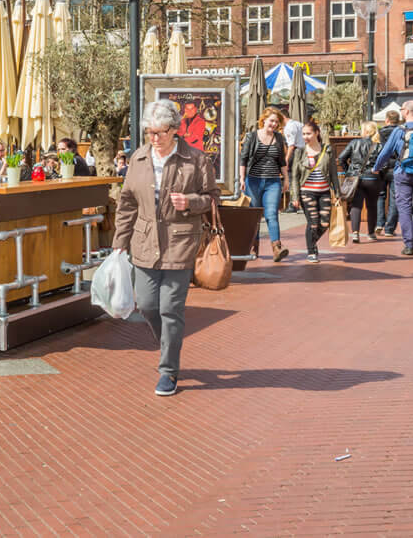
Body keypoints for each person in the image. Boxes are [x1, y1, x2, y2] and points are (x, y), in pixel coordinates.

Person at [113, 100, 218, 397]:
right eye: (149, 132)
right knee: (146, 305)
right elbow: (127, 203)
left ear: (174, 130)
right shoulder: (139, 158)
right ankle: (168, 347)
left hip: (181, 242)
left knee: (170, 309)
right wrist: (120, 244)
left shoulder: (195, 159)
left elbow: (213, 198)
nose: (154, 138)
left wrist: (191, 203)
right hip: (144, 242)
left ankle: (168, 371)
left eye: (159, 132)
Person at [239, 108, 289, 262]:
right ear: (264, 120)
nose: (273, 124)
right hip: (253, 180)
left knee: (272, 214)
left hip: (273, 181)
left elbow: (282, 161)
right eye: (271, 121)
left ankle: (276, 248)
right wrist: (241, 179)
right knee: (255, 215)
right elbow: (244, 159)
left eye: (276, 122)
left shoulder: (279, 138)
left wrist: (286, 178)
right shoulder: (252, 136)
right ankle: (254, 247)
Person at [290, 121, 341, 263]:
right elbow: (294, 176)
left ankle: (311, 242)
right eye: (304, 134)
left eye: (308, 133)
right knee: (313, 222)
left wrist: (337, 193)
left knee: (324, 223)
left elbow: (333, 174)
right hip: (307, 192)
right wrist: (294, 196)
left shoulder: (327, 150)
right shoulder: (300, 152)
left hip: (324, 191)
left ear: (316, 133)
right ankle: (311, 251)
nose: (305, 136)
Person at [373, 99, 413, 255]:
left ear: (406, 111)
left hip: (403, 173)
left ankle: (409, 244)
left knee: (405, 209)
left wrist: (376, 167)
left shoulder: (399, 130)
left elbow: (385, 152)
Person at [338, 121, 384, 242]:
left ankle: (355, 234)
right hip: (373, 179)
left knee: (356, 206)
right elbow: (385, 163)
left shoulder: (354, 142)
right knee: (372, 206)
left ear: (366, 131)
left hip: (356, 179)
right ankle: (371, 233)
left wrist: (349, 171)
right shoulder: (379, 145)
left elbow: (341, 158)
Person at [376, 110, 402, 237]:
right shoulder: (401, 131)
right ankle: (389, 229)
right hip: (396, 167)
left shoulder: (380, 133)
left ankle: (379, 223)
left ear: (387, 120)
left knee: (380, 196)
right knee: (394, 198)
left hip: (382, 167)